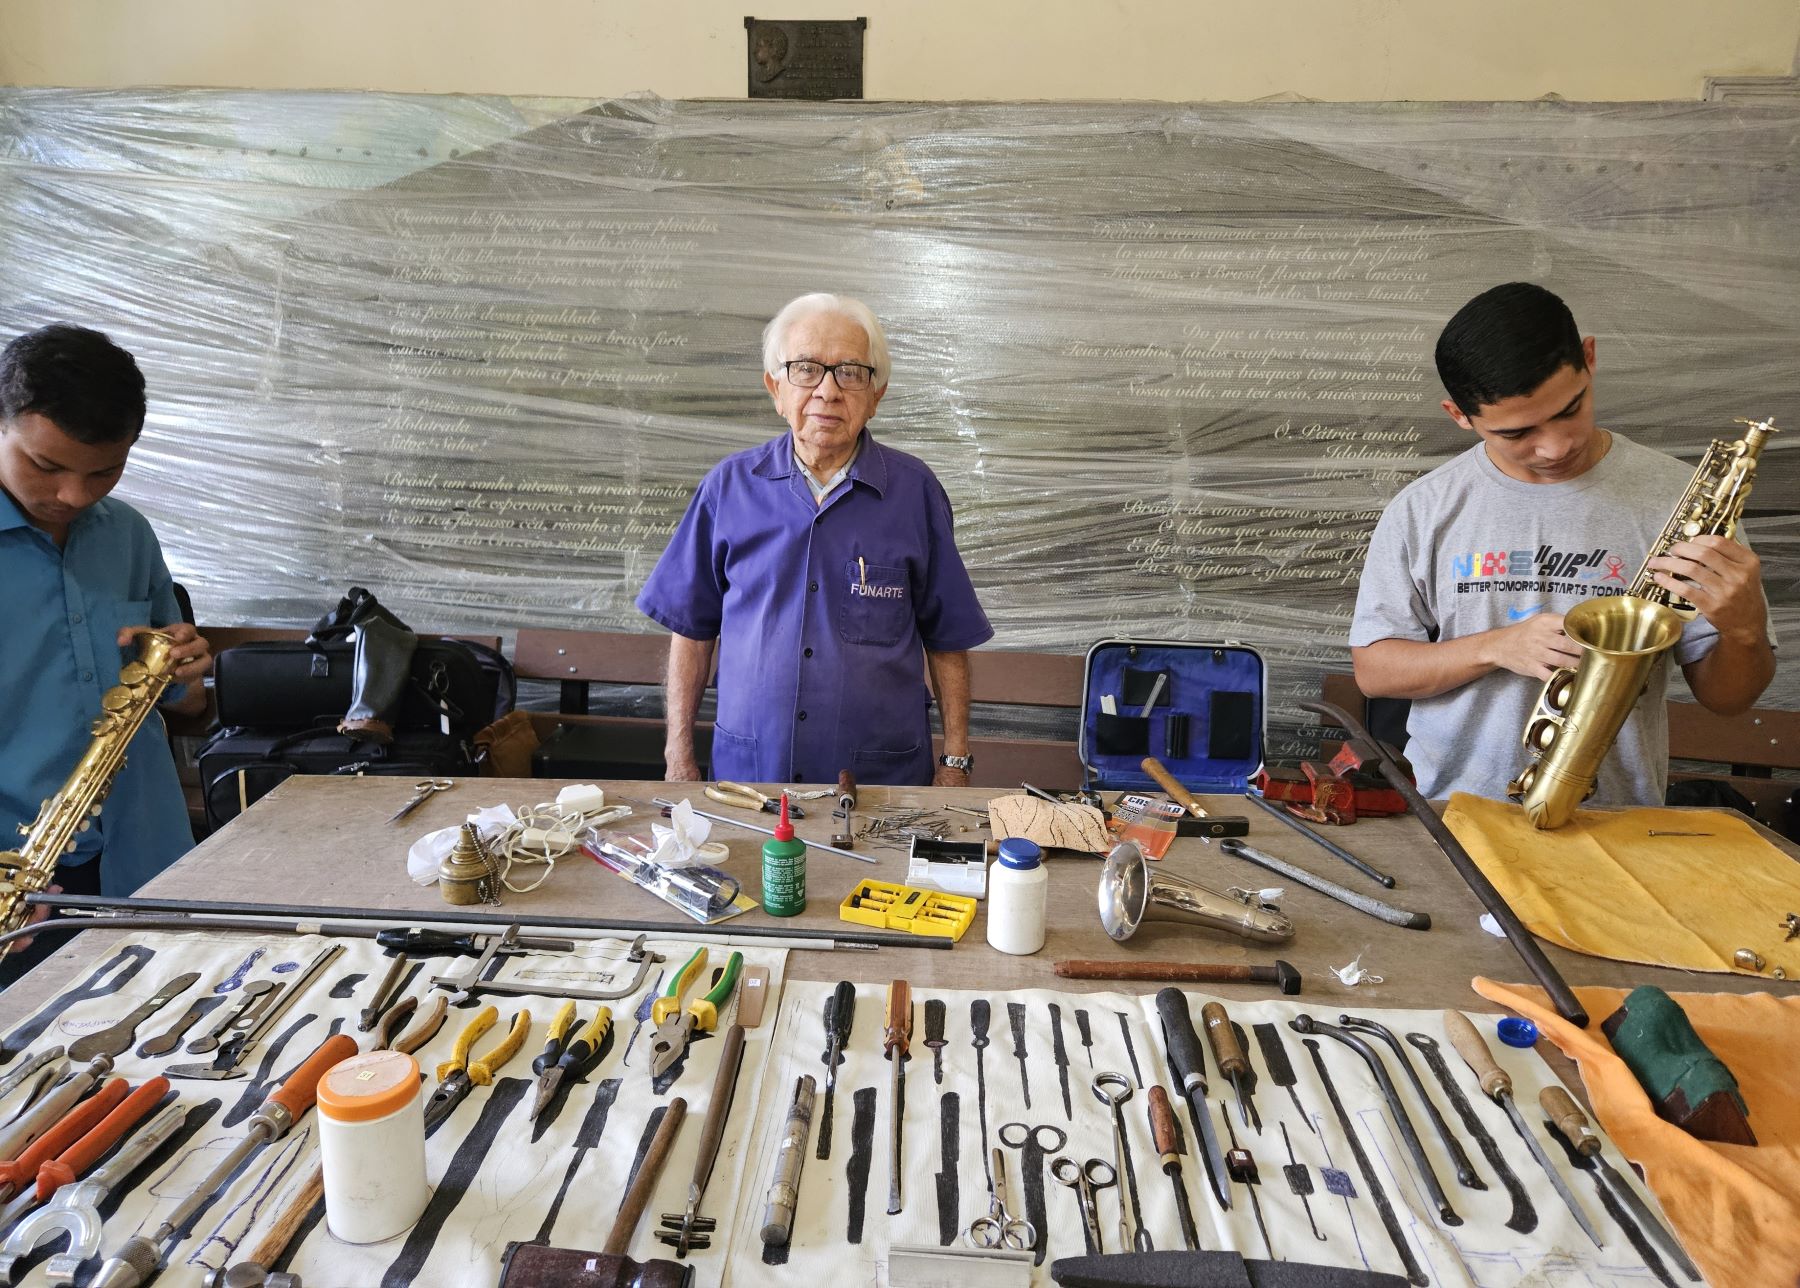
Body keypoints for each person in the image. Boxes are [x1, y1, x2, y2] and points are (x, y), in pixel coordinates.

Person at [1349, 282, 1775, 806]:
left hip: (1618, 823)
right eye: (1517, 433)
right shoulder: (1422, 509)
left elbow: (1729, 701)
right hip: (1454, 818)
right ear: (1459, 415)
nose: (1555, 446)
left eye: (1570, 409)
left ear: (1589, 358)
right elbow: (1374, 672)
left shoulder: (1687, 502)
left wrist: (1746, 629)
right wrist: (1495, 646)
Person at [637, 293, 993, 787]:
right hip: (750, 776)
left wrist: (955, 761)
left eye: (850, 371)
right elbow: (692, 632)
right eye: (805, 369)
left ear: (877, 394)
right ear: (775, 388)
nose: (827, 391)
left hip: (881, 782)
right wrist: (678, 754)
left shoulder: (915, 493)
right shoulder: (728, 489)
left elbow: (947, 639)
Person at [1, 325, 212, 972]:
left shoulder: (127, 534)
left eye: (105, 471)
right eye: (46, 465)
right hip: (19, 888)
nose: (74, 495)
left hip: (141, 860)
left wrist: (189, 669)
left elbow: (186, 704)